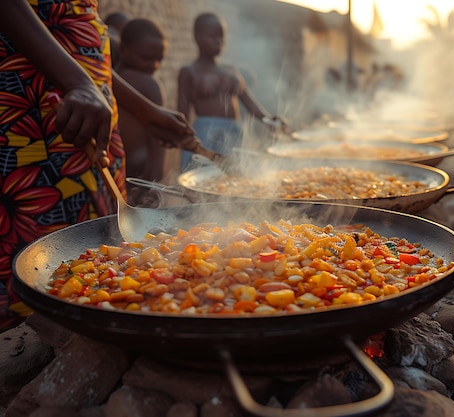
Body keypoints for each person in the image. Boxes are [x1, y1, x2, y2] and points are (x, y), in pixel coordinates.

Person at [0, 0, 197, 331]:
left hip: (93, 113)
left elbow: (82, 45)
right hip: (30, 110)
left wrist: (145, 111)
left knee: (103, 246)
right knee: (31, 272)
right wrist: (76, 82)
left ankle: (101, 310)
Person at [177, 12, 287, 171]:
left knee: (235, 179)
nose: (219, 42)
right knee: (204, 177)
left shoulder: (230, 71)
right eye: (213, 36)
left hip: (234, 134)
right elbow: (182, 113)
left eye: (222, 37)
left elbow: (249, 103)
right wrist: (187, 140)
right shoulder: (189, 71)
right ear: (197, 36)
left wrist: (268, 119)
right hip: (205, 136)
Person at [115, 18, 169, 205]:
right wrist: (154, 186)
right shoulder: (150, 86)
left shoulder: (103, 80)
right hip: (139, 179)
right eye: (146, 58)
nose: (153, 65)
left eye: (159, 60)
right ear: (123, 49)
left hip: (109, 176)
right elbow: (157, 147)